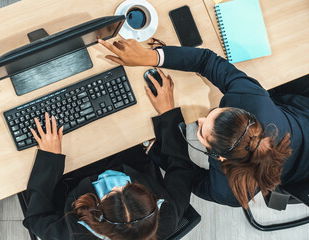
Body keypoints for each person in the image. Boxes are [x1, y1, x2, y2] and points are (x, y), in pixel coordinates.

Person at [98, 38, 309, 209]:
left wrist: (167, 123)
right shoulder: (252, 99)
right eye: (214, 112)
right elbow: (207, 60)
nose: (199, 119)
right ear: (241, 112)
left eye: (201, 131)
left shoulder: (230, 192)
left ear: (219, 157)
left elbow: (191, 178)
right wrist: (151, 56)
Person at [23, 85, 196, 240]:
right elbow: (182, 168)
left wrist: (50, 159)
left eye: (111, 195)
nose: (116, 186)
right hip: (125, 152)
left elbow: (37, 218)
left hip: (74, 170)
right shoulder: (168, 217)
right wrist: (168, 115)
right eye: (129, 187)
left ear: (101, 220)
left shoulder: (73, 236)